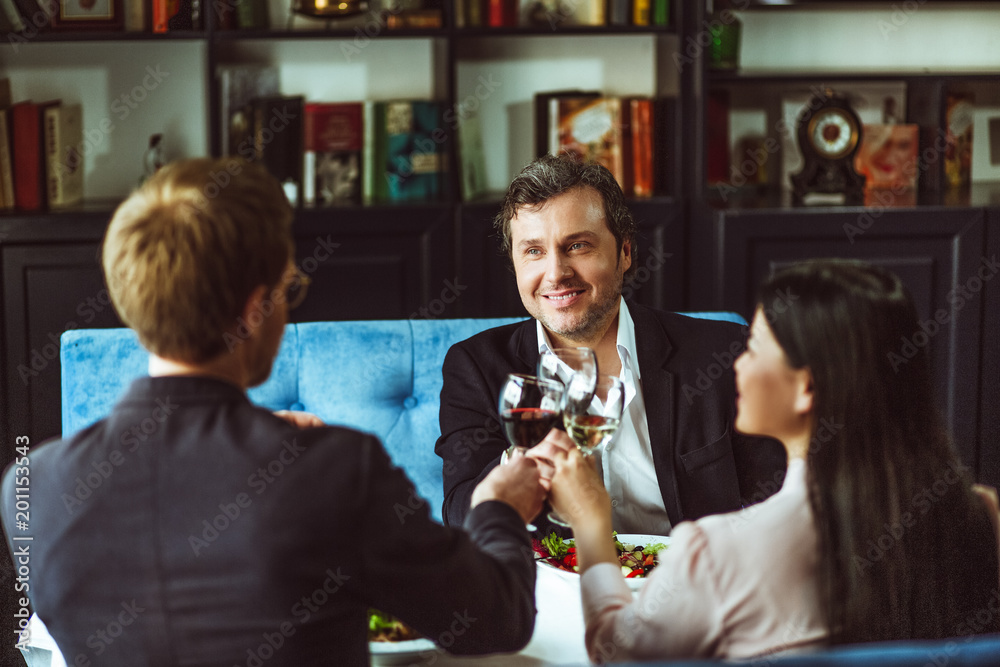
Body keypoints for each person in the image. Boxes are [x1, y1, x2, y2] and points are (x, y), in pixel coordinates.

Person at [0, 158, 547, 666]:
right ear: (251, 307)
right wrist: (498, 504)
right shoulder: (337, 470)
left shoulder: (30, 488)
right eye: (287, 289)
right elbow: (498, 619)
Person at [536, 258, 1000, 662]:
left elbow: (615, 652)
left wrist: (592, 524)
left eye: (754, 348)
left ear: (806, 388)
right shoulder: (983, 518)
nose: (738, 364)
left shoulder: (715, 554)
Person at [436, 154, 786, 535]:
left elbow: (775, 505)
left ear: (625, 253)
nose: (556, 273)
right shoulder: (475, 366)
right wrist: (521, 459)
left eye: (578, 245)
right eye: (534, 251)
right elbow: (460, 516)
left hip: (692, 581)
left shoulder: (723, 353)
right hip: (560, 587)